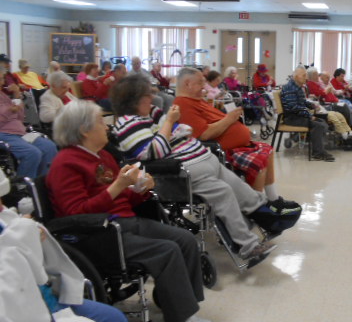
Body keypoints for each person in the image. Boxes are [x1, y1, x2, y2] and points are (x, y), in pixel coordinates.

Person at [46, 100, 218, 322]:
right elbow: (75, 213)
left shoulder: (103, 156)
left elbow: (122, 198)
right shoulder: (65, 164)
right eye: (100, 122)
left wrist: (141, 189)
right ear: (84, 130)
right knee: (167, 251)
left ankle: (185, 315)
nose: (106, 126)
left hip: (124, 222)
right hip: (98, 234)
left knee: (185, 240)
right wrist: (118, 186)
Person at [110, 74, 278, 261]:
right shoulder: (127, 125)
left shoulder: (150, 112)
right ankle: (248, 246)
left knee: (239, 188)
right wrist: (169, 124)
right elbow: (155, 150)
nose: (152, 97)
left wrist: (169, 129)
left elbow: (182, 130)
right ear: (136, 100)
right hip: (179, 173)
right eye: (147, 94)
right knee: (224, 193)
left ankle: (268, 217)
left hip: (203, 160)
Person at [0, 184, 142, 322]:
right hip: (21, 317)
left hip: (45, 298)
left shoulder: (5, 218)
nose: (2, 205)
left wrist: (137, 190)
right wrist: (25, 239)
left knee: (115, 318)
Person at [173, 68, 290, 199]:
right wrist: (230, 119)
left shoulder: (197, 100)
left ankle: (273, 199)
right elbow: (204, 134)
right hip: (219, 150)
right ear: (187, 83)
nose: (204, 86)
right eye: (200, 82)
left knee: (267, 150)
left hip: (234, 144)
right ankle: (257, 204)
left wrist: (233, 119)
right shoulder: (183, 104)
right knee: (259, 162)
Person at [0, 69, 57, 178]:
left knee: (49, 147)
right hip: (4, 134)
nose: (2, 83)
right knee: (32, 153)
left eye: (2, 79)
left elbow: (20, 117)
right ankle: (24, 185)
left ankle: (42, 181)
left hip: (19, 132)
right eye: (0, 79)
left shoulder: (3, 96)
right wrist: (10, 110)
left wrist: (17, 95)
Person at [281, 67, 335, 161]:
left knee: (323, 122)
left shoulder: (297, 87)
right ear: (296, 77)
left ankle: (318, 149)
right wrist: (309, 116)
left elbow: (302, 102)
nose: (306, 78)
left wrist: (312, 105)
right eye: (304, 75)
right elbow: (294, 108)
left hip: (298, 116)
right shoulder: (290, 88)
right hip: (292, 118)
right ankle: (317, 153)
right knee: (318, 125)